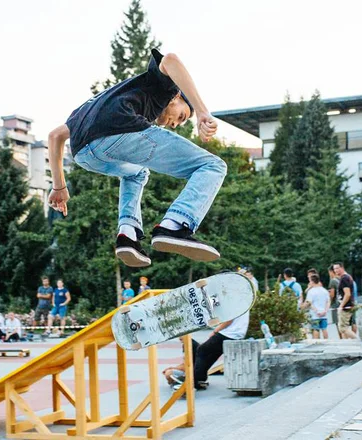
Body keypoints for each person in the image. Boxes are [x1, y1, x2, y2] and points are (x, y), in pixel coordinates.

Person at [47, 48, 226, 268]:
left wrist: (59, 187)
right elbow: (171, 59)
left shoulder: (90, 107)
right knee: (212, 165)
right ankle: (176, 224)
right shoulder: (163, 87)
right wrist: (201, 111)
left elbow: (55, 136)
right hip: (121, 131)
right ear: (177, 97)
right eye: (181, 116)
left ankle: (128, 233)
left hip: (85, 155)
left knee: (137, 173)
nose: (174, 124)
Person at [194, 311, 250, 390]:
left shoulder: (233, 300)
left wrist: (215, 331)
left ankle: (196, 379)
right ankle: (199, 379)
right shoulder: (243, 301)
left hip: (229, 333)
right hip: (238, 333)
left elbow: (229, 320)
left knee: (202, 350)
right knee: (213, 353)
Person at [332, 262, 358, 339]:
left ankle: (358, 340)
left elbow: (347, 294)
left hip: (346, 306)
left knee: (343, 328)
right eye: (334, 269)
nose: (335, 270)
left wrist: (341, 306)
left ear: (342, 268)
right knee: (345, 327)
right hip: (349, 304)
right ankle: (347, 343)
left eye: (337, 268)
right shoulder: (348, 277)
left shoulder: (344, 278)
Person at [304, 274, 330, 340]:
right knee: (324, 328)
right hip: (324, 314)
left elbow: (310, 303)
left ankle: (316, 342)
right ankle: (327, 341)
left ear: (312, 282)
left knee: (316, 329)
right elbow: (328, 301)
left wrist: (316, 311)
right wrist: (325, 311)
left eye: (310, 281)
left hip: (315, 315)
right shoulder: (324, 290)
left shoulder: (311, 292)